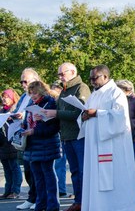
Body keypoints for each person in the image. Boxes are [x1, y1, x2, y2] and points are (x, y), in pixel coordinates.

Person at [79, 65, 135, 211]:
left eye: (95, 78)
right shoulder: (94, 95)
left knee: (115, 179)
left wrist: (97, 113)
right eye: (91, 78)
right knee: (95, 177)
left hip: (113, 146)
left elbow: (120, 118)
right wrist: (84, 116)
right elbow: (84, 114)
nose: (92, 81)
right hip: (94, 145)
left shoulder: (116, 93)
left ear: (105, 76)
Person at [42, 63, 91, 211]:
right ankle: (78, 201)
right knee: (75, 171)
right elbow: (60, 111)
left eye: (63, 74)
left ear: (73, 72)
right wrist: (45, 115)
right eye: (59, 74)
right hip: (67, 136)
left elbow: (80, 113)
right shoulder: (64, 90)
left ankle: (85, 201)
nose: (60, 77)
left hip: (79, 136)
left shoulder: (81, 88)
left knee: (83, 171)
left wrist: (56, 113)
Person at [22, 81, 61, 211]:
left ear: (42, 91)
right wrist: (24, 125)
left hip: (47, 144)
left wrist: (35, 130)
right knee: (37, 178)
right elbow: (28, 120)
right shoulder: (31, 103)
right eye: (31, 93)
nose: (33, 96)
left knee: (48, 176)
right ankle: (40, 204)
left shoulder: (50, 102)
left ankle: (52, 205)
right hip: (33, 145)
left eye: (35, 93)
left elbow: (54, 127)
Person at [13, 68, 40, 210]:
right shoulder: (24, 97)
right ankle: (32, 197)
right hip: (25, 138)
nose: (23, 84)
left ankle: (40, 198)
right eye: (21, 81)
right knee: (28, 170)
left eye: (26, 81)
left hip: (37, 137)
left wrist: (22, 116)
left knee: (39, 172)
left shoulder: (41, 95)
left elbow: (39, 114)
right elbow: (19, 110)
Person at [116, 79, 135, 199]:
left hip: (134, 137)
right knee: (122, 163)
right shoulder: (118, 101)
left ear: (127, 90)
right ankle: (126, 186)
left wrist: (126, 123)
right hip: (121, 136)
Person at [0, 89, 23, 199]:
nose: (4, 99)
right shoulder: (1, 111)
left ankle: (15, 191)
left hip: (13, 143)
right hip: (2, 144)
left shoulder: (16, 110)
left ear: (13, 98)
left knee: (15, 167)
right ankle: (7, 190)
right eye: (3, 97)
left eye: (7, 97)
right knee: (6, 169)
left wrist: (11, 118)